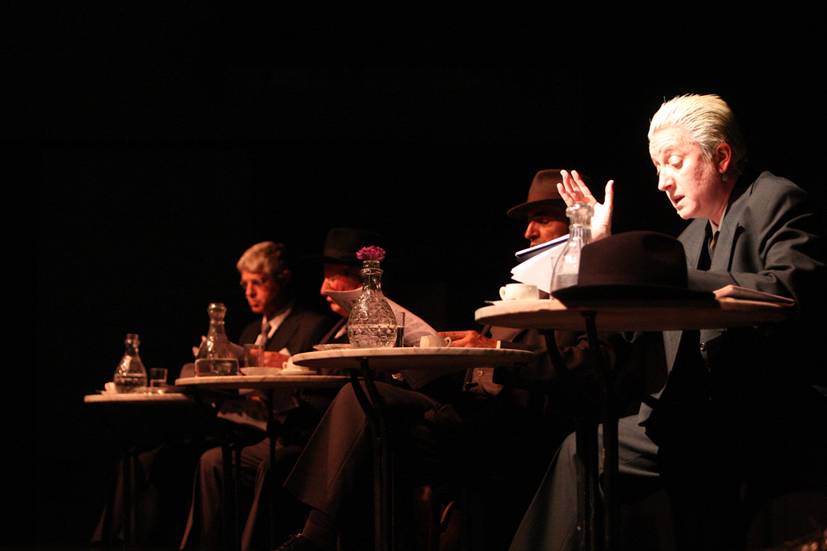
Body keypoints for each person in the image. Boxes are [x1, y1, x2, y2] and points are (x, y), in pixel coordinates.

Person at [509, 93, 826, 551]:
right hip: (689, 413)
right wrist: (600, 246)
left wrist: (674, 279)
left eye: (674, 163)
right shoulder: (692, 235)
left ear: (721, 157)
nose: (662, 182)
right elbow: (640, 317)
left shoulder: (776, 199)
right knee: (582, 449)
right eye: (658, 168)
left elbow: (789, 288)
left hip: (757, 408)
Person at [180, 229, 382, 551]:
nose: (323, 288)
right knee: (211, 460)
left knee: (271, 462)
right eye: (244, 285)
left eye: (332, 277)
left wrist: (277, 363)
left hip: (305, 432)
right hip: (273, 427)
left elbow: (333, 381)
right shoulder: (330, 327)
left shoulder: (321, 324)